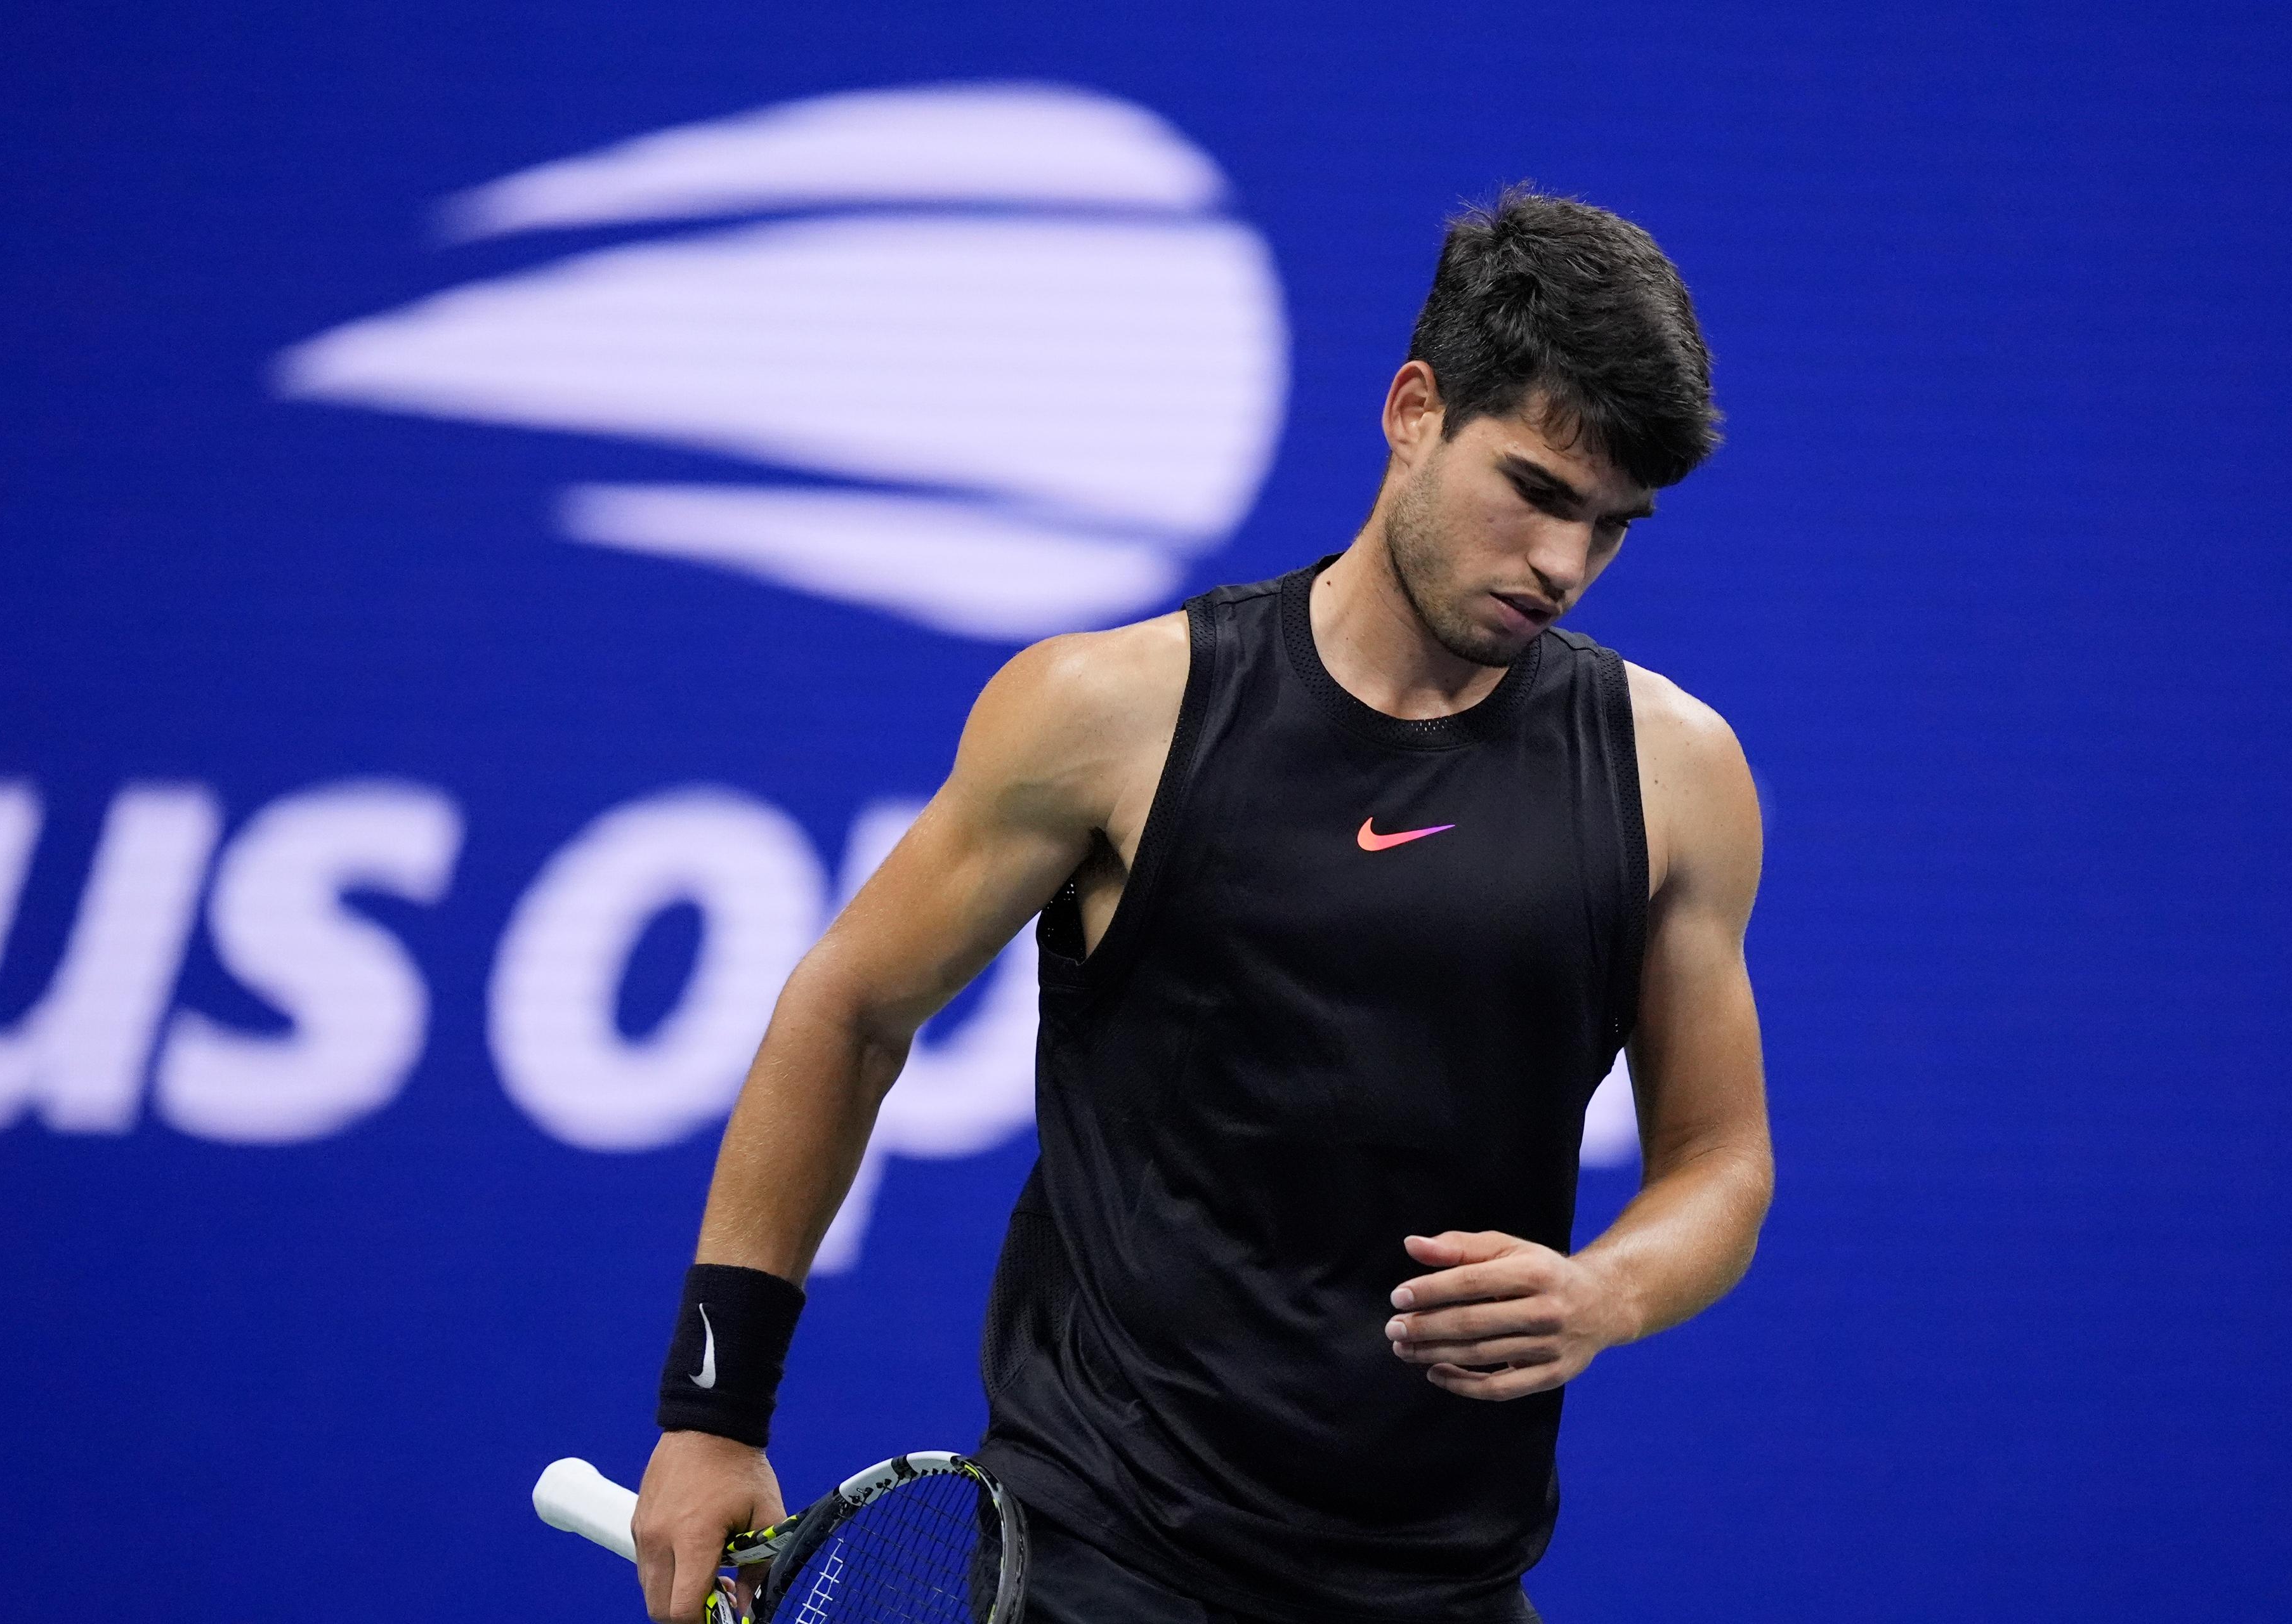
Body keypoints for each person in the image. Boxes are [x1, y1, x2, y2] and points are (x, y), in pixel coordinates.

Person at [631, 186, 1773, 1624]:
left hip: (1448, 1581)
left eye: (1611, 526)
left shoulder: (1677, 777)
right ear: (1413, 408)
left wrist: (1604, 1294)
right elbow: (850, 1006)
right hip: (1102, 1559)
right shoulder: (1112, 713)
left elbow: (1721, 1161)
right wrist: (713, 1409)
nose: (1562, 562)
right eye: (1537, 491)